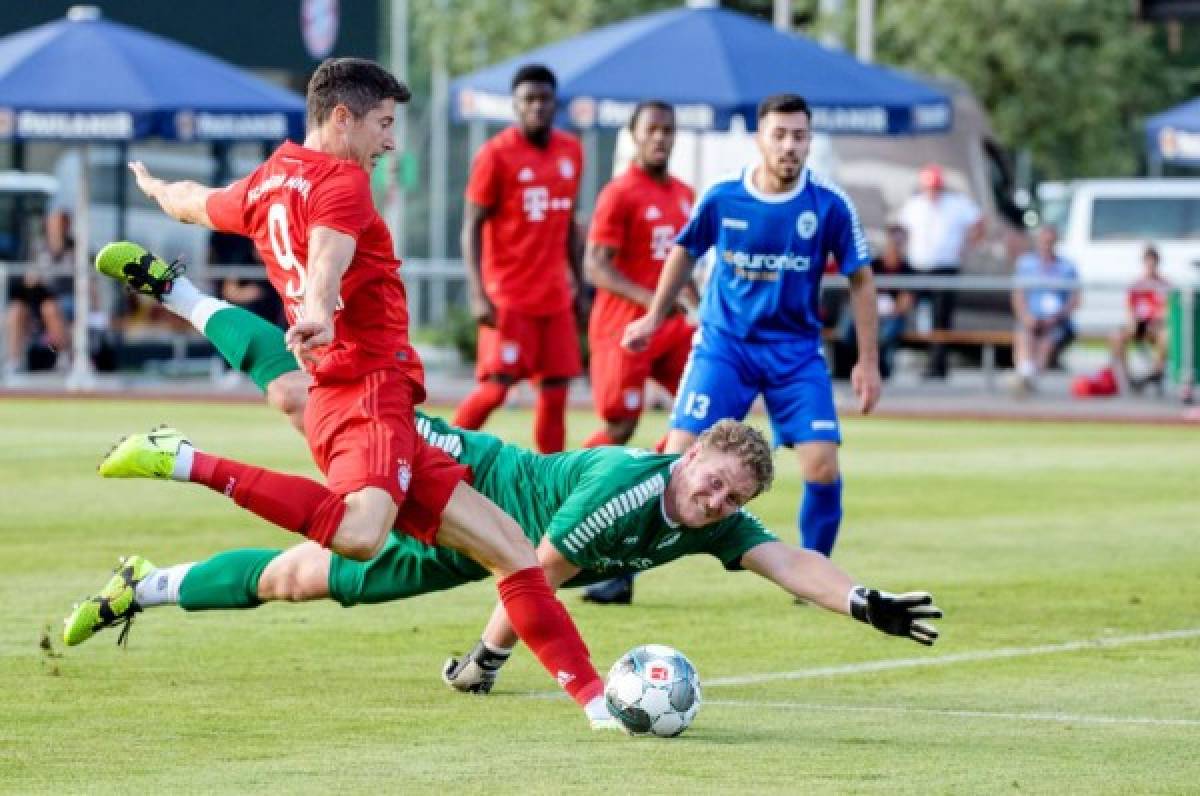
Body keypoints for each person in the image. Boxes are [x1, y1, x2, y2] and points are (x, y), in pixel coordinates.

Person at [96, 57, 608, 726]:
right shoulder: (342, 184)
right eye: (384, 124)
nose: (390, 141)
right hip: (365, 389)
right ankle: (188, 459)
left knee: (511, 548)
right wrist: (318, 308)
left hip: (365, 392)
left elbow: (196, 203)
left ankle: (599, 703)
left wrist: (154, 186)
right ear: (343, 118)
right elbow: (329, 257)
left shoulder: (268, 180)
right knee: (363, 535)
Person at [62, 298, 942, 682]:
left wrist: (863, 601)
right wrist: (484, 664)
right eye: (712, 482)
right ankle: (182, 294)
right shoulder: (629, 486)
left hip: (460, 549)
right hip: (459, 470)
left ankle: (145, 584)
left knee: (296, 580)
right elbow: (535, 573)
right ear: (689, 455)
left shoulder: (710, 520)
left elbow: (787, 560)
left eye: (726, 499)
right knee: (302, 395)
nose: (714, 503)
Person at [622, 93, 882, 572]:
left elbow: (861, 279)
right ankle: (625, 570)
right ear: (760, 139)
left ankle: (815, 570)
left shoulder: (828, 205)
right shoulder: (724, 196)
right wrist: (655, 316)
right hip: (726, 348)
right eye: (779, 135)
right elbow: (684, 252)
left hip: (796, 353)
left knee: (822, 464)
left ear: (810, 142)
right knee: (677, 457)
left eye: (799, 136)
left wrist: (868, 361)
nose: (789, 146)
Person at [454, 64, 585, 454]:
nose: (537, 107)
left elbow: (568, 224)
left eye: (544, 99)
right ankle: (435, 454)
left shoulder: (571, 151)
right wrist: (477, 293)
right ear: (515, 104)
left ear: (555, 103)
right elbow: (471, 226)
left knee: (556, 392)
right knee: (496, 387)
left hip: (555, 295)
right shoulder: (495, 155)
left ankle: (551, 479)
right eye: (529, 100)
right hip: (508, 294)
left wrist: (577, 283)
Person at [898, 164, 985, 380]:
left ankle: (938, 364)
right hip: (918, 267)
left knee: (941, 318)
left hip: (945, 267)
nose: (933, 192)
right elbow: (900, 229)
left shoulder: (956, 204)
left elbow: (979, 222)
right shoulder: (915, 205)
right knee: (908, 311)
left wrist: (967, 246)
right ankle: (905, 356)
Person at [839, 224, 914, 381]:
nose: (894, 245)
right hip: (869, 312)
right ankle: (848, 366)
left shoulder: (908, 269)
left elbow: (907, 300)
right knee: (848, 325)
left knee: (887, 330)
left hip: (891, 315)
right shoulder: (873, 265)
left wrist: (892, 309)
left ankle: (879, 368)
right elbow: (857, 292)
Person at [1010, 225, 1080, 393]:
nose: (1046, 245)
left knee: (1047, 342)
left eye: (1050, 242)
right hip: (1031, 318)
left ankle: (1029, 379)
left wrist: (1056, 317)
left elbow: (1075, 299)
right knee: (1025, 335)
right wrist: (1026, 316)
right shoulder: (1026, 264)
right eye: (1043, 241)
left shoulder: (1067, 267)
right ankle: (1026, 373)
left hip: (1057, 321)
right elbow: (1018, 296)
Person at [1110, 244, 1169, 394]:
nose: (1150, 266)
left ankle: (1156, 374)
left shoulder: (1165, 285)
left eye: (1153, 262)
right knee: (1116, 337)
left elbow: (1167, 311)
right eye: (1147, 262)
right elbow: (1130, 310)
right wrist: (1134, 323)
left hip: (1157, 326)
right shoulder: (1136, 285)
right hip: (1140, 325)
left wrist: (1156, 321)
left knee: (1166, 337)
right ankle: (1129, 379)